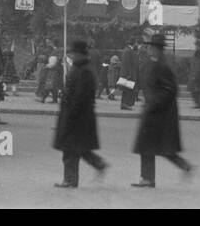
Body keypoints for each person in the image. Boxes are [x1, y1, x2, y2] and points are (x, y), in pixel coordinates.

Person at [131, 34, 192, 188]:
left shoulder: (163, 66)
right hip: (154, 111)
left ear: (157, 49)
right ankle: (148, 178)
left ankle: (150, 177)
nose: (149, 49)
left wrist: (154, 102)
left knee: (157, 146)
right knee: (151, 146)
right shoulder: (152, 63)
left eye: (151, 47)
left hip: (161, 113)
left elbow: (171, 89)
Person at [54, 40, 107, 187]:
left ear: (79, 53)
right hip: (79, 116)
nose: (70, 55)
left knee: (70, 149)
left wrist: (70, 115)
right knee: (78, 148)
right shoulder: (81, 68)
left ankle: (70, 180)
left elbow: (80, 96)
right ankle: (98, 164)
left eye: (72, 52)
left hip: (77, 116)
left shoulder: (83, 70)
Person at [118, 37, 139, 110]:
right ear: (133, 43)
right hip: (127, 74)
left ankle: (125, 104)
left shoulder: (129, 50)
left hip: (128, 73)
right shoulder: (128, 51)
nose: (137, 44)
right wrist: (129, 74)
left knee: (128, 89)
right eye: (136, 42)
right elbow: (127, 63)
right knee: (126, 90)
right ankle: (124, 104)